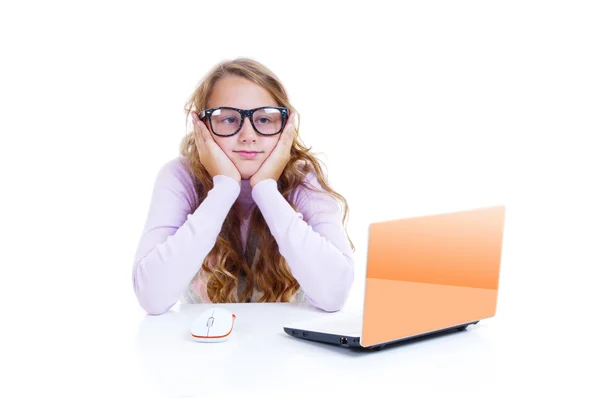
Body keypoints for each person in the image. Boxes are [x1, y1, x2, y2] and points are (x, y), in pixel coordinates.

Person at [132, 57, 355, 315]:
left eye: (263, 119)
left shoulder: (302, 179)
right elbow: (152, 297)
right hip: (199, 351)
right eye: (228, 119)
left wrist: (266, 190)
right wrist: (224, 188)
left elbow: (334, 294)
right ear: (201, 126)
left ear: (286, 126)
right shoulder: (179, 176)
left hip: (288, 351)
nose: (248, 135)